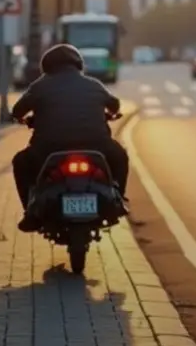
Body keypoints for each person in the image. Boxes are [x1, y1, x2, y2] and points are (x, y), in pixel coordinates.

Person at [10, 43, 128, 233]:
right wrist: (110, 114)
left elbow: (17, 111)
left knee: (21, 162)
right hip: (98, 147)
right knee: (120, 156)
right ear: (78, 65)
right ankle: (119, 200)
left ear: (47, 66)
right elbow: (114, 105)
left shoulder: (40, 87)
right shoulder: (94, 85)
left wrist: (24, 119)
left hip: (48, 149)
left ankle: (30, 214)